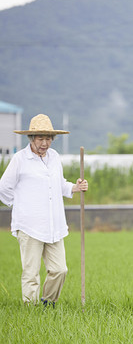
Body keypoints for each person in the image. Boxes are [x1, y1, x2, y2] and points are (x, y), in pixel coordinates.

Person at [0, 114, 89, 307]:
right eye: (40, 138)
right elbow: (3, 188)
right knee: (31, 273)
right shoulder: (20, 159)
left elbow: (59, 184)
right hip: (29, 225)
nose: (45, 143)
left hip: (53, 224)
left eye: (48, 138)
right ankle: (31, 310)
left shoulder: (54, 157)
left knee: (60, 269)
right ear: (32, 138)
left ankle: (48, 303)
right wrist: (20, 205)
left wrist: (75, 187)